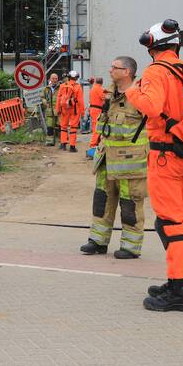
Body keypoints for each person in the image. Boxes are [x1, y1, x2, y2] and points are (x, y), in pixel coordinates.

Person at [125, 19, 183, 312]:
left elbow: (152, 108)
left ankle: (180, 292)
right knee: (180, 222)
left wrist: (132, 90)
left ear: (151, 46)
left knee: (168, 223)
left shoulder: (156, 71)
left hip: (166, 156)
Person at [80, 57, 148, 259]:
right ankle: (98, 241)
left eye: (115, 67)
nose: (110, 70)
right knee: (102, 199)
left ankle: (130, 247)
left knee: (130, 203)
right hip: (107, 159)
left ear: (127, 72)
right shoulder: (109, 94)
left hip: (130, 162)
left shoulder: (140, 96)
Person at [56, 70, 84, 152]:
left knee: (63, 126)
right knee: (73, 127)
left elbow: (58, 98)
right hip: (74, 109)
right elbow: (80, 100)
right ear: (76, 78)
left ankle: (63, 144)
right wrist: (82, 112)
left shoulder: (62, 86)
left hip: (64, 108)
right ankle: (72, 146)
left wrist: (57, 109)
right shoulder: (78, 87)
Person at [87, 76, 106, 153]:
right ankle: (93, 145)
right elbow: (104, 97)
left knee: (95, 127)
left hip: (93, 109)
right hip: (97, 110)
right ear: (102, 83)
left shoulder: (93, 88)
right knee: (97, 128)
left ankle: (94, 143)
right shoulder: (99, 88)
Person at [42, 73, 61, 146]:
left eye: (56, 78)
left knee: (60, 126)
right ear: (50, 79)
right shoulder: (46, 88)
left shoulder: (61, 88)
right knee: (50, 126)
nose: (54, 80)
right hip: (49, 111)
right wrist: (44, 102)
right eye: (53, 78)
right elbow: (42, 97)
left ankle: (61, 142)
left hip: (59, 110)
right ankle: (50, 142)